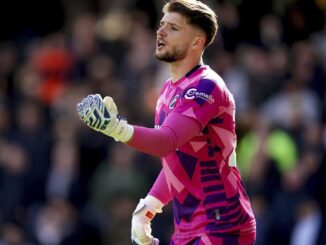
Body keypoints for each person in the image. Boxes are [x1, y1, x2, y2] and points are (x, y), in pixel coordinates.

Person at [76, 0, 256, 244]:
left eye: (174, 28)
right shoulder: (167, 91)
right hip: (188, 228)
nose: (160, 31)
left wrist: (116, 128)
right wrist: (148, 207)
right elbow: (180, 161)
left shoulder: (206, 86)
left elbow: (167, 142)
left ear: (196, 42)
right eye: (162, 25)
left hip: (222, 223)